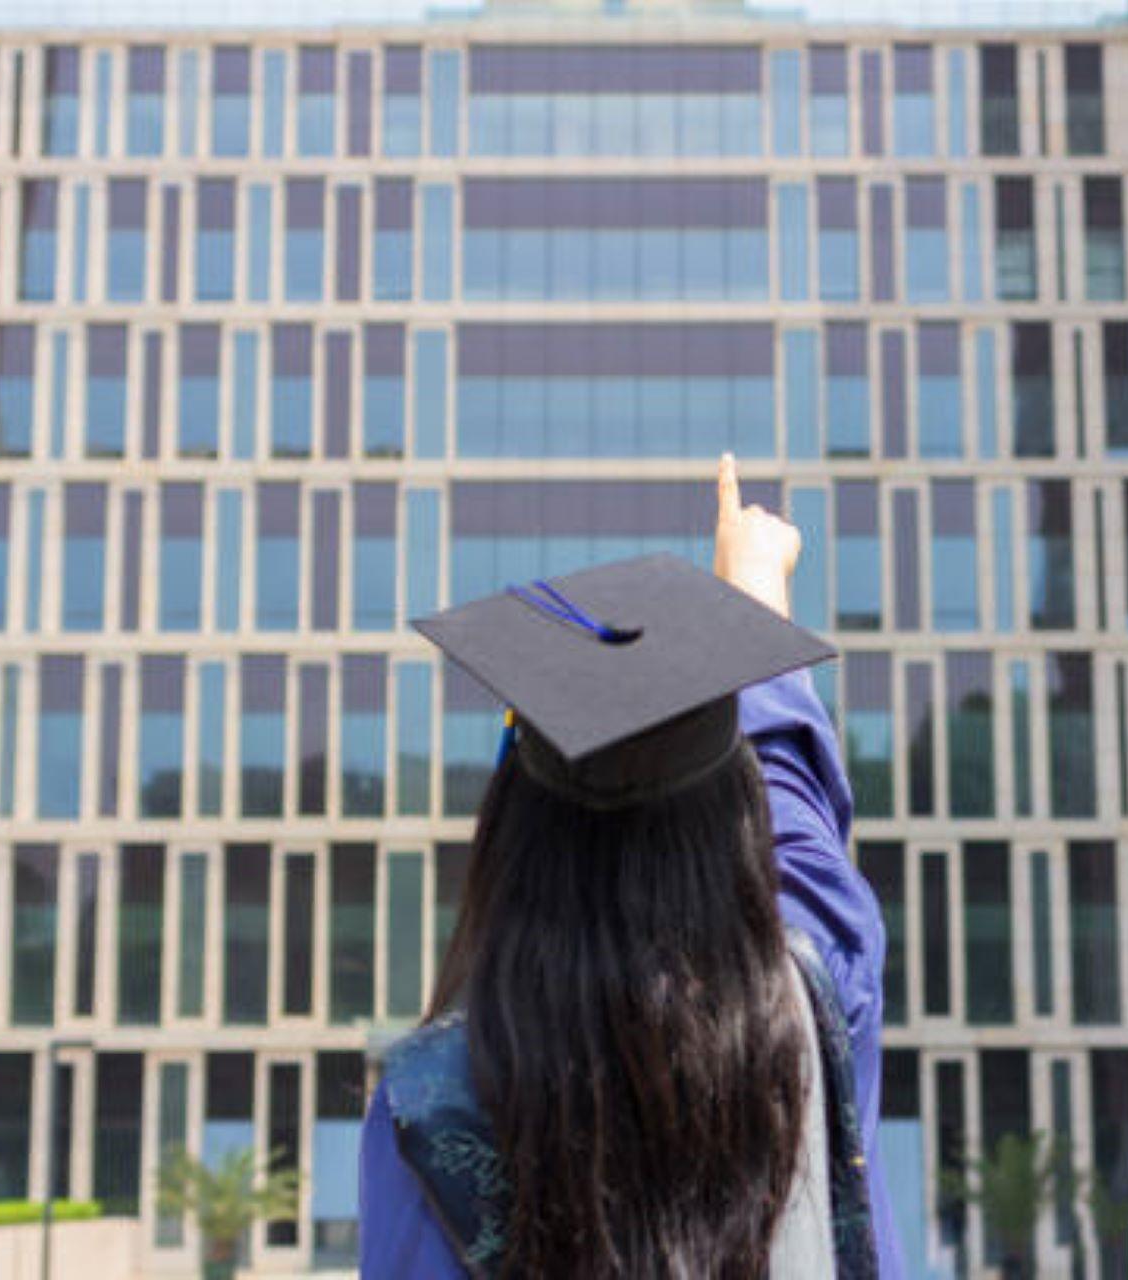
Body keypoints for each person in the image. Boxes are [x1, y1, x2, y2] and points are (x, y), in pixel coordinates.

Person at [358, 455, 900, 1278]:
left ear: (517, 834)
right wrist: (753, 598)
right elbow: (798, 823)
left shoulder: (431, 1106)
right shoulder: (812, 1003)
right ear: (732, 821)